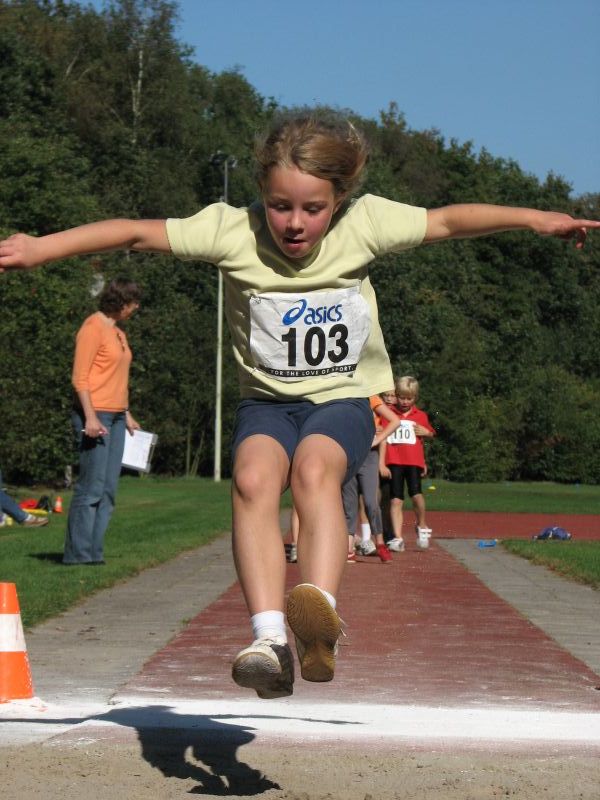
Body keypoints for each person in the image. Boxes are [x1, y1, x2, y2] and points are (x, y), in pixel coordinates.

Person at [0, 109, 597, 699]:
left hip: (339, 397)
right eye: (281, 205)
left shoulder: (365, 223)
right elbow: (134, 232)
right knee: (254, 479)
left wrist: (536, 219)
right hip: (265, 402)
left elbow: (448, 221)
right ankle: (268, 641)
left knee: (315, 469)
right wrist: (40, 247)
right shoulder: (230, 230)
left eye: (313, 208)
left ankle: (320, 623)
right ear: (261, 193)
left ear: (339, 199)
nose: (294, 223)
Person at [63, 278, 141, 565]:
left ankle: (94, 554)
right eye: (132, 303)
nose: (135, 308)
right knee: (91, 488)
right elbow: (79, 378)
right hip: (95, 415)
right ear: (119, 302)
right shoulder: (92, 328)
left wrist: (127, 413)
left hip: (117, 416)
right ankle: (77, 554)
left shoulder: (118, 333)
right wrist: (91, 417)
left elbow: (117, 378)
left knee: (108, 490)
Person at [343, 394, 402, 564]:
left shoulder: (371, 398)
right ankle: (349, 549)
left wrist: (378, 439)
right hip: (348, 454)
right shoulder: (342, 397)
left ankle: (380, 543)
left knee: (371, 501)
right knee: (349, 504)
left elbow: (394, 420)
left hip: (369, 456)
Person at [379, 376, 435, 551]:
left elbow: (428, 435)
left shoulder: (421, 416)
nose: (404, 402)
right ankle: (397, 537)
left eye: (408, 398)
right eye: (401, 397)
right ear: (397, 395)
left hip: (413, 462)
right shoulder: (389, 415)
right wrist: (382, 462)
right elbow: (383, 435)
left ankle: (422, 525)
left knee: (416, 495)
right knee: (396, 500)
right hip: (394, 461)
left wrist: (427, 433)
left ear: (415, 398)